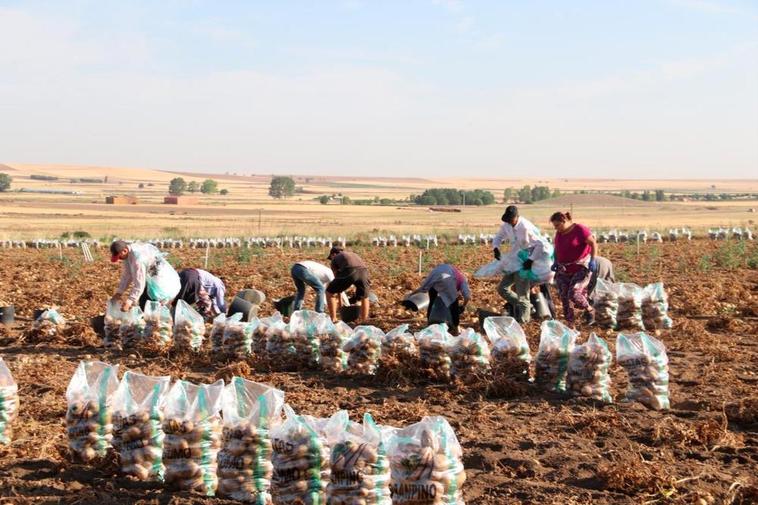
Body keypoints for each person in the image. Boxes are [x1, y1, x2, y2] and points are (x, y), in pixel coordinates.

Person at [492, 205, 549, 323]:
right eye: (507, 220)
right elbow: (498, 237)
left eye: (511, 220)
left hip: (526, 261)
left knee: (522, 293)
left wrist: (531, 260)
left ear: (516, 217)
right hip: (514, 260)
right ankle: (528, 307)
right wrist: (496, 248)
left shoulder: (526, 227)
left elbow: (540, 244)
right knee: (502, 289)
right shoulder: (507, 225)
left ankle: (524, 322)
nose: (509, 222)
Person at [550, 211, 598, 326]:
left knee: (574, 294)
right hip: (564, 269)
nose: (556, 228)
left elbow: (593, 244)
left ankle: (590, 310)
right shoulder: (559, 233)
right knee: (564, 297)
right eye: (554, 226)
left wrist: (593, 259)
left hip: (580, 267)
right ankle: (570, 323)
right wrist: (555, 261)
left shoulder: (580, 230)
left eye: (557, 225)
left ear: (564, 221)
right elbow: (556, 248)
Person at [110, 240, 180, 311]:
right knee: (145, 303)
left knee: (153, 306)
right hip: (150, 277)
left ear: (124, 251)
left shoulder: (138, 260)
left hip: (159, 280)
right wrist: (119, 292)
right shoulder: (128, 254)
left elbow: (139, 283)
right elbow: (127, 274)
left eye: (119, 257)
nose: (119, 259)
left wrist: (129, 301)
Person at [409, 263, 470, 333]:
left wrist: (411, 294)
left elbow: (423, 288)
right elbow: (467, 296)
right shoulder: (462, 280)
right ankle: (454, 327)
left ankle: (430, 323)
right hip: (446, 282)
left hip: (435, 277)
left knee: (433, 301)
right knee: (452, 304)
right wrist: (463, 306)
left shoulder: (442, 272)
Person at [326, 246, 371, 323]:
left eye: (331, 257)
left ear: (333, 254)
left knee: (329, 292)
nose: (331, 259)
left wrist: (340, 304)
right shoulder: (353, 254)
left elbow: (337, 285)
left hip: (350, 270)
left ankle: (333, 319)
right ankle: (365, 321)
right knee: (365, 296)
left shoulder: (335, 259)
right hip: (364, 272)